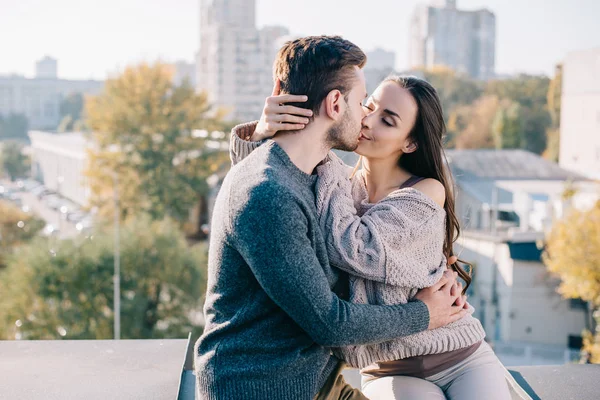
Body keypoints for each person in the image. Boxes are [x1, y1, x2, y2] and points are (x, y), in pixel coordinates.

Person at [195, 36, 467, 400]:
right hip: (264, 387)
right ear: (336, 103)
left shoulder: (309, 175)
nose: (365, 118)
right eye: (363, 103)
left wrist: (429, 265)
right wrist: (424, 314)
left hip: (314, 377)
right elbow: (330, 323)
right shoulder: (268, 193)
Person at [230, 76, 533, 400]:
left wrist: (324, 148)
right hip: (388, 366)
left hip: (459, 355)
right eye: (369, 107)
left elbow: (359, 248)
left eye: (387, 120)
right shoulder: (338, 188)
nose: (368, 121)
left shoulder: (425, 190)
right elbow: (264, 188)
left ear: (410, 143)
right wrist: (262, 133)